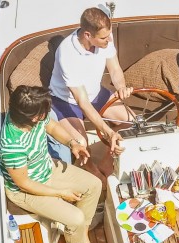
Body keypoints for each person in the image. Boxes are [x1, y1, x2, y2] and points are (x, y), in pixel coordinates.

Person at [0, 85, 101, 243]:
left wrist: (72, 143)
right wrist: (61, 193)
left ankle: (81, 230)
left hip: (46, 167)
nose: (48, 113)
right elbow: (24, 183)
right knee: (75, 217)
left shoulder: (34, 118)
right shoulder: (11, 145)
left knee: (94, 185)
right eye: (44, 112)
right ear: (33, 117)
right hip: (26, 190)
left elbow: (52, 127)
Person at [49, 6, 132, 187]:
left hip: (95, 93)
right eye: (103, 37)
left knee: (131, 124)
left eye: (109, 35)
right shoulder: (67, 54)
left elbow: (115, 69)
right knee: (81, 143)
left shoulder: (105, 41)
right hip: (65, 101)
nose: (109, 39)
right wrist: (109, 132)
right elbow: (83, 102)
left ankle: (106, 164)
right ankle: (93, 171)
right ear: (87, 35)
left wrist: (122, 87)